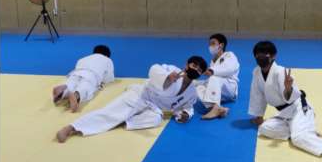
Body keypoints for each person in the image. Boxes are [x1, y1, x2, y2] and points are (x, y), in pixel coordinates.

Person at [249, 40, 322, 162]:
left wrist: (288, 88)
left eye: (264, 54)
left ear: (273, 56)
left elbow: (291, 96)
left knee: (298, 138)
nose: (260, 57)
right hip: (284, 114)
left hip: (298, 109)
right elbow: (257, 94)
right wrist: (259, 116)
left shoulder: (281, 72)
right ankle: (305, 131)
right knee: (264, 128)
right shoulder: (257, 72)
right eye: (258, 54)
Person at [56, 56, 208, 143]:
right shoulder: (171, 69)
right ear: (187, 64)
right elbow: (153, 70)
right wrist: (167, 77)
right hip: (142, 96)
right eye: (194, 65)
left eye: (199, 69)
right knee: (109, 112)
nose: (196, 69)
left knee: (156, 119)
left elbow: (188, 106)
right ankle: (71, 127)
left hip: (154, 108)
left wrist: (186, 114)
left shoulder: (192, 92)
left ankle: (124, 120)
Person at [52, 45, 114, 112]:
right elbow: (109, 77)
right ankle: (76, 95)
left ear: (94, 52)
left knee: (72, 82)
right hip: (92, 75)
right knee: (86, 86)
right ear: (107, 55)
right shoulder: (108, 60)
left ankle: (65, 88)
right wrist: (103, 82)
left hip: (76, 73)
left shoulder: (83, 58)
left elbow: (77, 67)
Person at [196, 33, 240, 120]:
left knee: (214, 78)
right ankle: (216, 108)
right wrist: (196, 82)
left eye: (213, 43)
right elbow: (211, 82)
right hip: (219, 92)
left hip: (229, 87)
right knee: (198, 88)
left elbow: (230, 68)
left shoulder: (229, 55)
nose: (210, 46)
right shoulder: (213, 62)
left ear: (221, 45)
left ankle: (215, 108)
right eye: (209, 44)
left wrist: (212, 71)